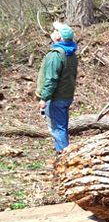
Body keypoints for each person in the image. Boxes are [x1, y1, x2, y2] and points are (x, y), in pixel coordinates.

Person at [35, 22, 78, 153]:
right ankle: (63, 154)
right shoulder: (71, 52)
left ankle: (64, 157)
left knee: (57, 129)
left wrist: (44, 98)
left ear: (59, 37)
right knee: (62, 127)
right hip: (66, 96)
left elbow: (51, 79)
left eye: (55, 30)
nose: (52, 32)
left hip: (56, 98)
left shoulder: (55, 54)